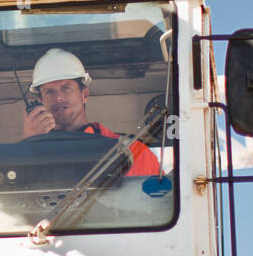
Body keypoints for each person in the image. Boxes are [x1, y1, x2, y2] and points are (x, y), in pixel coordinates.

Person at [20, 48, 161, 176]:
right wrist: (29, 145)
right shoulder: (20, 156)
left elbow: (158, 200)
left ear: (85, 95)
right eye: (49, 91)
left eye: (66, 87)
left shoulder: (134, 152)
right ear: (40, 101)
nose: (59, 97)